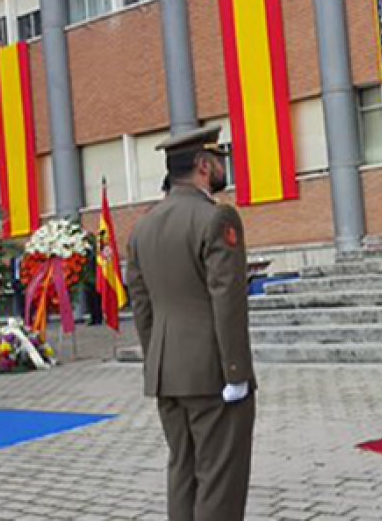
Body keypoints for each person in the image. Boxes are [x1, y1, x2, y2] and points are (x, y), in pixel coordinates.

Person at [126, 125, 257, 521]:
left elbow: (141, 303)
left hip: (168, 372)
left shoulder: (143, 227)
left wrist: (156, 362)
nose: (222, 169)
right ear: (203, 165)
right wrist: (236, 372)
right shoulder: (216, 218)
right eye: (218, 161)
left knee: (183, 470)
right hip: (211, 373)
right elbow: (227, 300)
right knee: (219, 478)